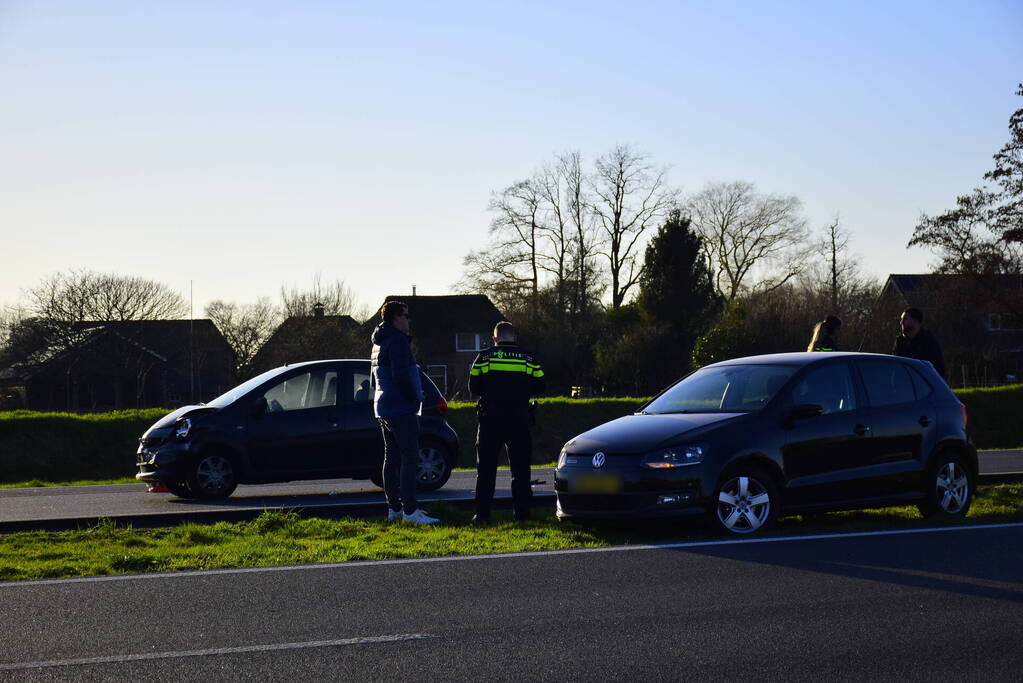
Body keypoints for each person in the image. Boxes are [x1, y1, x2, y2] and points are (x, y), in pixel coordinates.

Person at [468, 321, 545, 523]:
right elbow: (540, 386)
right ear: (515, 337)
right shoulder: (528, 358)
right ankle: (522, 515)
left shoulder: (484, 357)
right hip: (519, 419)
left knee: (486, 471)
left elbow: (473, 387)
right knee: (520, 471)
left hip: (490, 420)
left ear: (495, 338)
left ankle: (482, 516)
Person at [370, 301, 438, 525]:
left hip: (384, 406)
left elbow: (374, 380)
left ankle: (394, 509)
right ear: (395, 318)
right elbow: (400, 375)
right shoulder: (398, 340)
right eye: (406, 316)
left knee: (390, 458)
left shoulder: (378, 342)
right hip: (401, 408)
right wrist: (414, 396)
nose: (409, 320)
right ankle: (410, 511)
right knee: (410, 457)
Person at [893, 307, 946, 378]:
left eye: (905, 319)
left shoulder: (928, 341)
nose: (901, 322)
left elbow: (938, 369)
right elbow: (895, 366)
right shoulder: (900, 342)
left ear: (915, 321)